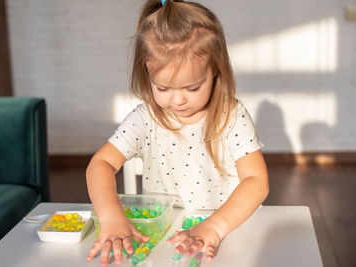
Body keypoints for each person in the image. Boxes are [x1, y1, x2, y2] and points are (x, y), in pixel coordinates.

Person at [86, 0, 269, 265]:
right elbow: (100, 164)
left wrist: (214, 227)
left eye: (192, 88)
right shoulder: (145, 117)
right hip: (164, 232)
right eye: (163, 88)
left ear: (216, 70)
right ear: (147, 74)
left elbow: (257, 181)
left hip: (228, 226)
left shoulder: (232, 115)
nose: (178, 100)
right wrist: (111, 217)